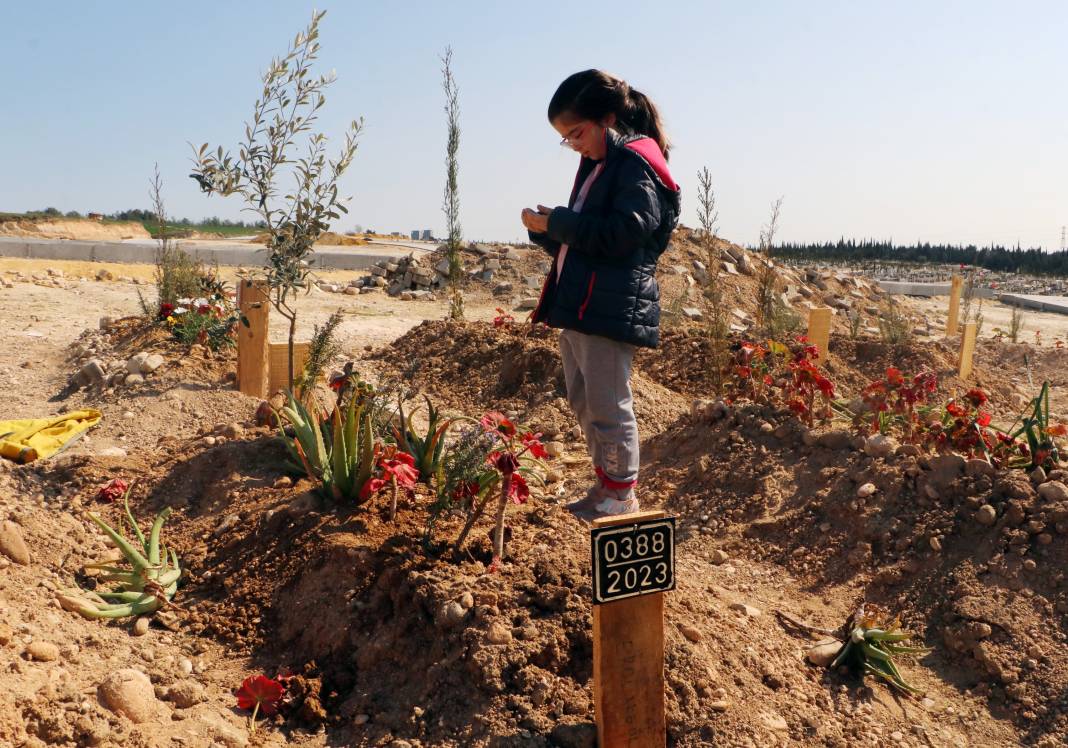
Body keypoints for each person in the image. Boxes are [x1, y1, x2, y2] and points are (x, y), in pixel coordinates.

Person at [521, 69, 681, 522]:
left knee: (609, 404)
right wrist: (550, 229)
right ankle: (605, 486)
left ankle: (621, 495)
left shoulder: (635, 162)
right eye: (565, 139)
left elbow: (626, 233)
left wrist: (560, 224)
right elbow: (590, 240)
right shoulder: (600, 165)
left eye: (577, 133)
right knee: (583, 398)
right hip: (583, 305)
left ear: (607, 119)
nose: (574, 145)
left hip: (609, 307)